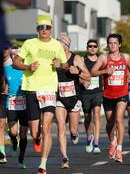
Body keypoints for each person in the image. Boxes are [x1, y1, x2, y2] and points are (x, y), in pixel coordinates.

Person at [13, 14, 68, 174]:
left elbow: (64, 65)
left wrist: (60, 65)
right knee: (36, 132)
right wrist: (28, 67)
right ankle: (37, 138)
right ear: (37, 29)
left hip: (49, 89)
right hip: (32, 89)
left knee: (47, 129)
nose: (44, 30)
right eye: (41, 27)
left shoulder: (57, 45)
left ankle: (42, 165)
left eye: (47, 27)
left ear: (51, 29)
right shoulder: (29, 43)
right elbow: (16, 62)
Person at [91, 33, 130, 163]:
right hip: (108, 95)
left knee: (119, 119)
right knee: (110, 123)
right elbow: (93, 72)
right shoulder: (103, 58)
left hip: (122, 93)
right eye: (110, 43)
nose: (112, 45)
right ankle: (112, 142)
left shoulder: (126, 57)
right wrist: (104, 72)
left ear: (119, 44)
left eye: (115, 43)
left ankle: (119, 149)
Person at [55, 34, 90, 169]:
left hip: (73, 97)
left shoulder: (76, 58)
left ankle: (75, 133)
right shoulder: (54, 58)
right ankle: (64, 157)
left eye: (59, 43)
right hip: (59, 97)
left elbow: (88, 76)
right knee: (60, 126)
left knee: (73, 128)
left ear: (66, 45)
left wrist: (78, 72)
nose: (57, 45)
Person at [3, 47, 28, 168]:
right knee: (13, 132)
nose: (15, 56)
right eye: (13, 55)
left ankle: (21, 160)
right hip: (11, 104)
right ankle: (13, 140)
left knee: (23, 133)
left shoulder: (25, 69)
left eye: (17, 55)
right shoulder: (7, 68)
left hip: (24, 105)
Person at [80, 39, 103, 154]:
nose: (92, 48)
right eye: (90, 46)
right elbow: (78, 75)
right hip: (85, 92)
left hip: (97, 91)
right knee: (88, 117)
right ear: (87, 48)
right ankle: (89, 136)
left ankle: (97, 143)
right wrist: (82, 81)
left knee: (97, 116)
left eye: (94, 46)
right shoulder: (82, 60)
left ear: (97, 48)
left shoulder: (101, 60)